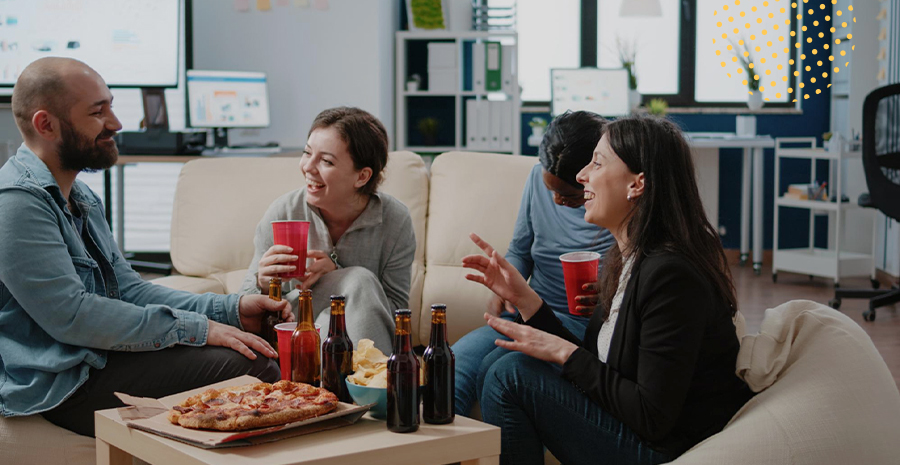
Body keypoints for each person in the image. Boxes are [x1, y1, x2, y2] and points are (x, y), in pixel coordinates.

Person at [0, 57, 293, 438]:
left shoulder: (81, 196)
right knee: (250, 367)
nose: (116, 123)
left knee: (265, 349)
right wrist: (200, 329)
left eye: (111, 105)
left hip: (101, 357)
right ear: (46, 124)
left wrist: (230, 310)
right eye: (97, 111)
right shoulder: (16, 203)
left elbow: (129, 289)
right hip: (64, 381)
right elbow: (72, 316)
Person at [462, 116, 755, 464]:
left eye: (596, 163)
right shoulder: (627, 257)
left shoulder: (672, 276)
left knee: (510, 374)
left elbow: (653, 416)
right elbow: (597, 358)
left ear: (637, 184)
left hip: (663, 449)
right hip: (637, 429)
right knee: (501, 361)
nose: (582, 175)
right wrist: (524, 299)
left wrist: (563, 353)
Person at [452, 111, 614, 416]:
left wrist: (608, 293)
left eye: (568, 195)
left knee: (500, 370)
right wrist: (504, 285)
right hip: (528, 314)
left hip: (582, 328)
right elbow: (520, 250)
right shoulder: (535, 178)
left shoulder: (616, 203)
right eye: (550, 189)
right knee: (452, 367)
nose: (555, 200)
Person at [239, 107, 416, 353]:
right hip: (293, 333)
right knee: (354, 285)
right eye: (306, 153)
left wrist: (340, 275)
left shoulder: (394, 221)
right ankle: (374, 384)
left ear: (362, 176)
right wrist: (263, 284)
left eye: (326, 161)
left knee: (359, 283)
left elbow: (396, 313)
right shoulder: (283, 212)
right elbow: (241, 306)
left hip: (355, 339)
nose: (308, 167)